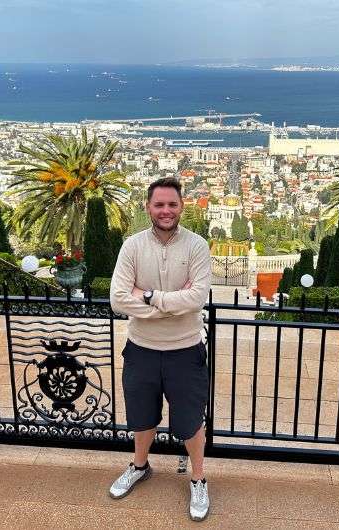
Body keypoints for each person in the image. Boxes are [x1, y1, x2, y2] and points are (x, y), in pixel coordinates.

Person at [108, 177, 212, 522]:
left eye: (172, 204)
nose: (165, 211)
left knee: (190, 421)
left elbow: (197, 297)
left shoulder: (197, 246)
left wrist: (149, 295)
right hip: (141, 349)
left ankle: (198, 478)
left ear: (181, 206)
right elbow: (118, 299)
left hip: (185, 350)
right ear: (148, 207)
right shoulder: (132, 246)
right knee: (141, 416)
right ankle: (140, 466)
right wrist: (172, 302)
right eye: (159, 204)